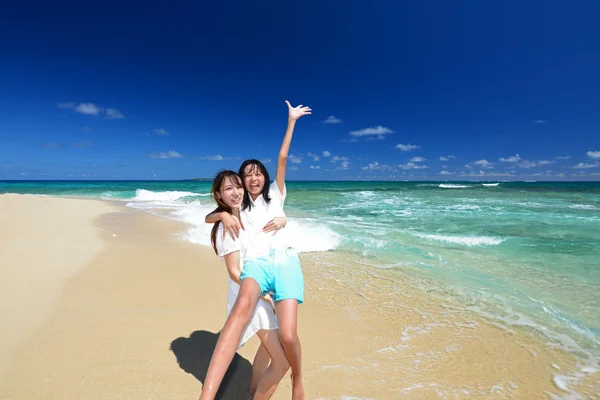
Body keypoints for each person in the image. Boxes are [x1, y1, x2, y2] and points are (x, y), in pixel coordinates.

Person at [200, 101, 311, 400]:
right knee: (269, 339)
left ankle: (286, 384)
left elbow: (283, 157)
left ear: (265, 176)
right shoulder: (239, 209)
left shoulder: (276, 195)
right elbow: (213, 215)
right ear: (241, 182)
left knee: (283, 337)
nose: (253, 178)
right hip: (258, 269)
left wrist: (291, 122)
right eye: (246, 175)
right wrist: (221, 214)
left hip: (285, 261)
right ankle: (250, 392)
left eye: (257, 172)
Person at [209, 170, 290, 399]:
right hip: (249, 298)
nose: (235, 192)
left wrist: (283, 219)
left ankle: (253, 392)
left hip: (259, 293)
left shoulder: (244, 215)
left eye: (238, 186)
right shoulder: (229, 226)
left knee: (267, 350)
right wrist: (263, 293)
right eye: (228, 189)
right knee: (282, 361)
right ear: (219, 195)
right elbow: (234, 271)